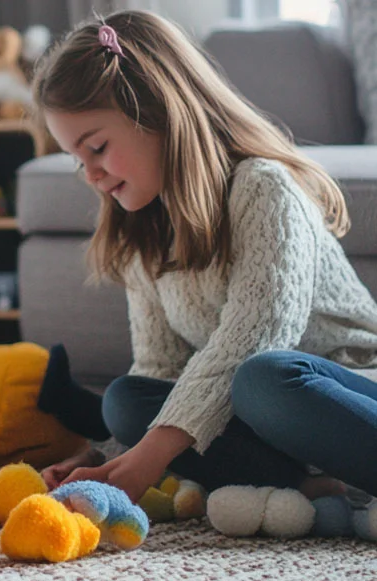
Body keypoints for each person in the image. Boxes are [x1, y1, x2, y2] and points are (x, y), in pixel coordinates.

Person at [32, 11, 377, 503]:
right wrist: (106, 457)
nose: (90, 174)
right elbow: (159, 368)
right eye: (78, 159)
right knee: (127, 402)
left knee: (261, 379)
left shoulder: (262, 188)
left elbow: (255, 340)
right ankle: (314, 490)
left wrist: (150, 458)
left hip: (341, 392)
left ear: (157, 110)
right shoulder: (143, 236)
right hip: (270, 423)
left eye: (98, 148)